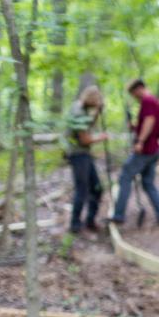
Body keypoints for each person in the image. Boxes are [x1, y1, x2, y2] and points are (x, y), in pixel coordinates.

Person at [110, 79, 159, 226]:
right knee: (148, 183)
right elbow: (147, 123)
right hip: (153, 149)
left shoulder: (148, 101)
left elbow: (150, 122)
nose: (134, 96)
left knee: (125, 176)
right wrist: (135, 127)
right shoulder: (151, 101)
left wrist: (140, 141)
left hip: (146, 149)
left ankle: (118, 215)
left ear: (139, 88)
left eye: (133, 93)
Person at [64, 85, 108, 233]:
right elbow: (84, 139)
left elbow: (87, 126)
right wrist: (100, 138)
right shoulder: (78, 112)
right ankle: (75, 224)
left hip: (83, 154)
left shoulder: (81, 108)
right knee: (82, 189)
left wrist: (97, 113)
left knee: (96, 188)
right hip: (78, 154)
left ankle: (90, 220)